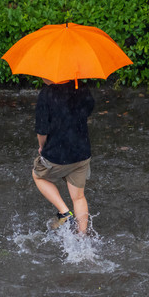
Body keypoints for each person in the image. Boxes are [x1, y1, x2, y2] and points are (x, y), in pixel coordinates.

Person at [32, 78, 95, 234]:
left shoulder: (46, 94)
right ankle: (82, 238)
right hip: (81, 152)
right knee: (79, 197)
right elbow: (89, 108)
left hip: (57, 154)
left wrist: (42, 146)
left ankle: (65, 212)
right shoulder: (80, 87)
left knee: (38, 175)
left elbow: (42, 130)